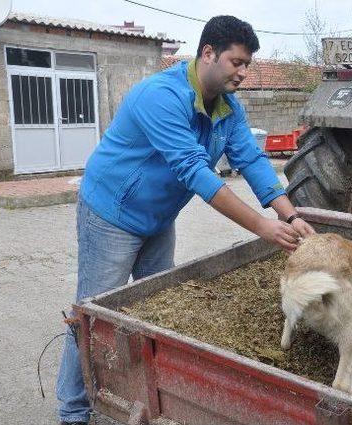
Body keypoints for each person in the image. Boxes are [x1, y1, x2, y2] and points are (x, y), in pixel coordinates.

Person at [56, 15, 315, 425]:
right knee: (92, 317)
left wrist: (290, 213)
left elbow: (250, 158)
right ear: (208, 53)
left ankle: (135, 396)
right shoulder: (160, 96)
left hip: (159, 218)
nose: (244, 72)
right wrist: (263, 227)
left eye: (248, 64)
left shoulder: (228, 107)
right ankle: (72, 411)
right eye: (237, 62)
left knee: (155, 308)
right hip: (111, 214)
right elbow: (195, 172)